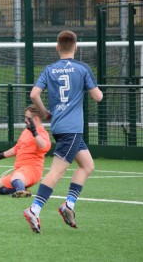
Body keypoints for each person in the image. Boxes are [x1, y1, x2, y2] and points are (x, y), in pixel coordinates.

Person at [23, 30, 103, 233]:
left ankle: (68, 205)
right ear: (76, 47)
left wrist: (44, 112)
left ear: (57, 47)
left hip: (59, 126)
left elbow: (34, 93)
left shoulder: (49, 69)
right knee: (57, 172)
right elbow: (98, 97)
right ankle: (34, 209)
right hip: (72, 129)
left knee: (87, 165)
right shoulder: (82, 68)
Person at [0, 105, 51, 198]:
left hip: (32, 170)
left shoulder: (42, 133)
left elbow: (45, 147)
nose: (25, 120)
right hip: (19, 170)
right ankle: (21, 189)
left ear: (35, 119)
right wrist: (0, 155)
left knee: (16, 178)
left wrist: (34, 132)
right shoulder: (26, 131)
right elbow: (17, 148)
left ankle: (21, 190)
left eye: (27, 117)